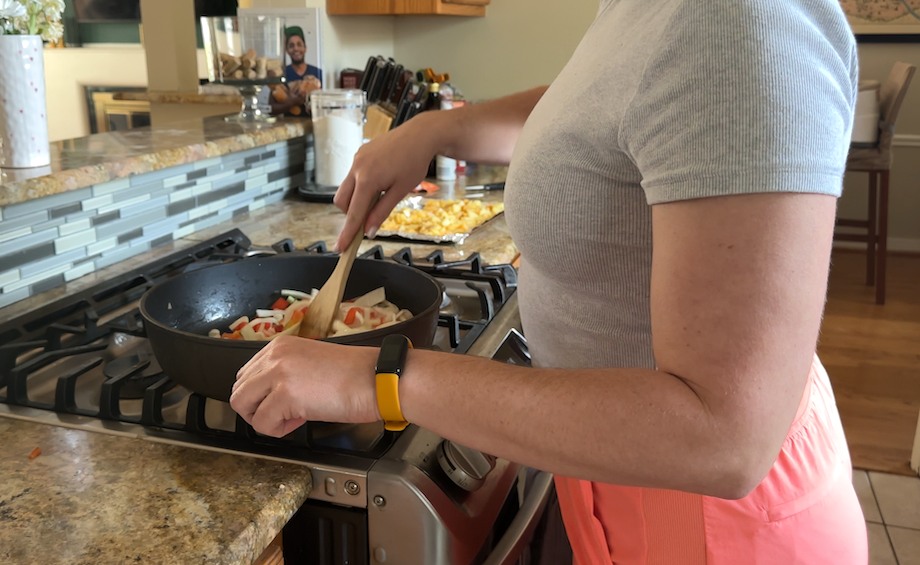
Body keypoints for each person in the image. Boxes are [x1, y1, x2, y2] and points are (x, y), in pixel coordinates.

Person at [231, 1, 869, 562]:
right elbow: (605, 104)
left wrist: (375, 379)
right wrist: (435, 129)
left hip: (710, 521)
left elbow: (725, 440)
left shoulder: (737, 18)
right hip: (617, 471)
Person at [269, 25, 322, 117]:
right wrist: (292, 102)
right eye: (291, 46)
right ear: (287, 50)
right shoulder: (281, 74)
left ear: (305, 48)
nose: (296, 49)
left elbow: (325, 106)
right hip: (289, 126)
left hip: (313, 125)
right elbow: (272, 109)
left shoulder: (317, 73)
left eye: (299, 44)